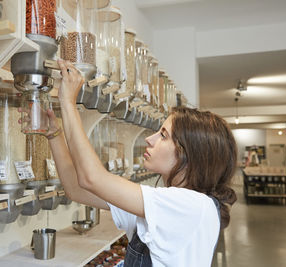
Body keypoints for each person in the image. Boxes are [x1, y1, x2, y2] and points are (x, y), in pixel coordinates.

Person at [43, 59, 237, 267]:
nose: (149, 139)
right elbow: (76, 188)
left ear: (189, 154)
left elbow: (92, 178)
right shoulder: (163, 205)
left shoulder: (193, 206)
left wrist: (68, 102)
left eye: (163, 135)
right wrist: (53, 133)